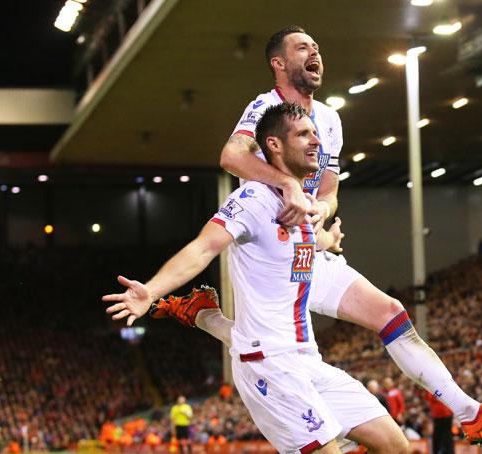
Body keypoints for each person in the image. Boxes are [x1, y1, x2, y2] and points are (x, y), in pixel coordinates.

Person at [152, 25, 482, 445]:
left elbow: (331, 193)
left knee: (389, 311)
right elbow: (231, 156)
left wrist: (320, 213)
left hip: (308, 249)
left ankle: (471, 413)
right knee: (267, 336)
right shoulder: (266, 108)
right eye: (302, 47)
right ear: (278, 64)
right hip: (270, 247)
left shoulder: (330, 121)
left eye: (317, 46)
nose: (315, 52)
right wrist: (288, 185)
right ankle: (205, 316)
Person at [104, 103, 409, 454]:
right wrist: (151, 291)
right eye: (303, 134)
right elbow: (204, 247)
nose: (316, 141)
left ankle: (206, 317)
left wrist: (330, 239)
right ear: (274, 145)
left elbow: (307, 238)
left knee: (395, 445)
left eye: (315, 133)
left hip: (307, 358)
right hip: (270, 366)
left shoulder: (303, 202)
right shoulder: (253, 199)